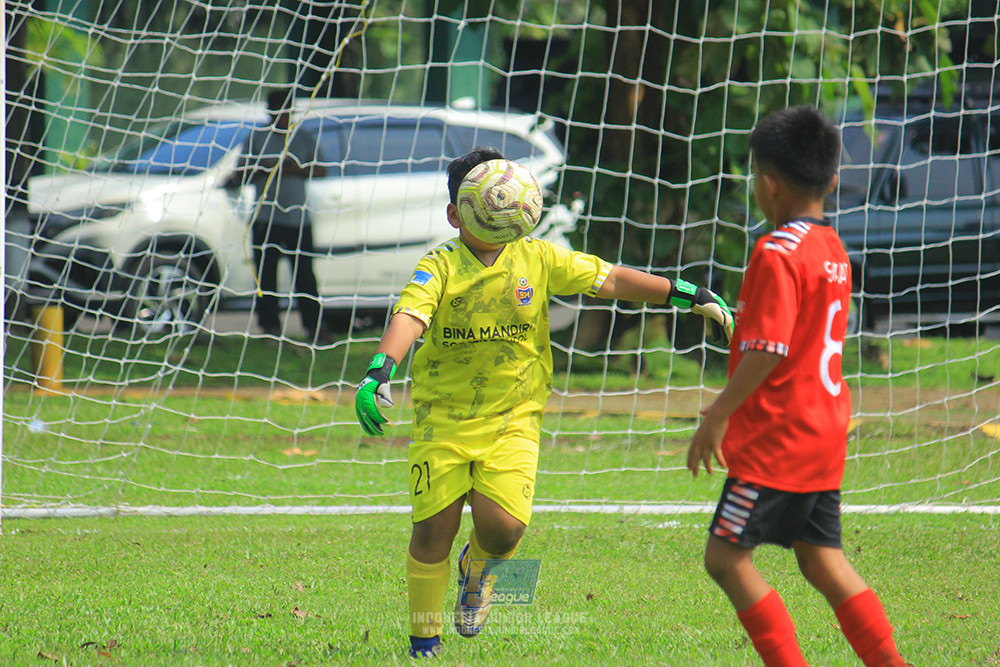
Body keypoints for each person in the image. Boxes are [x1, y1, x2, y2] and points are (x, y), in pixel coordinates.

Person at [355, 147, 735, 659]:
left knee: (504, 527)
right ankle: (424, 640)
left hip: (515, 418)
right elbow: (409, 315)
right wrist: (381, 369)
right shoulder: (440, 264)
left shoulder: (538, 257)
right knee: (431, 533)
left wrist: (684, 292)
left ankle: (479, 569)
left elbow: (613, 279)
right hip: (442, 420)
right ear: (455, 214)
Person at [686, 106, 907, 666]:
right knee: (821, 560)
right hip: (825, 429)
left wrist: (717, 413)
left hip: (778, 439)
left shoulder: (776, 251)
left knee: (725, 558)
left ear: (766, 184)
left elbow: (767, 348)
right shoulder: (832, 248)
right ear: (832, 180)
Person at [236, 87, 330, 344]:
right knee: (265, 276)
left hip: (298, 220)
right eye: (279, 111)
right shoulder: (257, 138)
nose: (284, 116)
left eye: (288, 110)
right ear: (270, 112)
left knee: (305, 276)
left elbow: (322, 170)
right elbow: (240, 172)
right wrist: (264, 168)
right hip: (266, 219)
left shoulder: (303, 137)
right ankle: (269, 328)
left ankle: (315, 327)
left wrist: (296, 170)